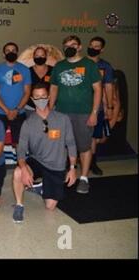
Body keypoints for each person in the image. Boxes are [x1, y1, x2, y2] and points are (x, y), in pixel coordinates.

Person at [12, 83, 77, 223]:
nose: (40, 99)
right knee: (18, 172)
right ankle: (19, 205)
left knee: (50, 207)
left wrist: (72, 168)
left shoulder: (62, 119)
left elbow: (71, 144)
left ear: (48, 97)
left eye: (43, 96)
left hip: (57, 165)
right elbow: (21, 150)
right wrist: (24, 168)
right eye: (37, 97)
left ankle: (40, 187)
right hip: (38, 161)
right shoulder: (28, 123)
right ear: (32, 99)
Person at [49, 35, 102, 194]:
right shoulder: (59, 66)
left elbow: (98, 89)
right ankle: (64, 173)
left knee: (84, 146)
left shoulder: (89, 65)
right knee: (60, 145)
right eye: (66, 45)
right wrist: (50, 110)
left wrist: (94, 113)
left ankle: (84, 178)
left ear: (79, 47)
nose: (69, 48)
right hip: (61, 113)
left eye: (72, 44)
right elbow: (53, 88)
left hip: (83, 114)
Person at [0, 42, 31, 148]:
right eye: (8, 51)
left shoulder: (25, 70)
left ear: (17, 53)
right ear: (3, 54)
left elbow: (27, 92)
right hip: (0, 113)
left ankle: (20, 164)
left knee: (20, 143)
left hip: (19, 112)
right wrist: (7, 111)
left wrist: (16, 110)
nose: (10, 52)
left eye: (13, 50)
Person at [87, 36, 115, 176]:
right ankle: (71, 163)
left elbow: (108, 87)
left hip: (97, 108)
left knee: (93, 137)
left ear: (102, 49)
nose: (92, 48)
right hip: (79, 107)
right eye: (91, 45)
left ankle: (92, 162)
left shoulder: (106, 66)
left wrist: (109, 107)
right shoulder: (81, 63)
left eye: (96, 46)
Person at [25, 46, 53, 117]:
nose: (40, 57)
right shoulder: (27, 71)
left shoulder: (53, 70)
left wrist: (51, 106)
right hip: (30, 108)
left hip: (49, 108)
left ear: (46, 56)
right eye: (37, 55)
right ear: (33, 57)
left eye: (42, 55)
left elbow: (55, 89)